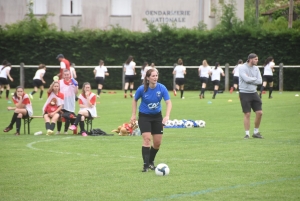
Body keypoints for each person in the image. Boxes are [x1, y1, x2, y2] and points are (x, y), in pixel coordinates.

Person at [131, 69, 172, 172]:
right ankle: (145, 166)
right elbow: (134, 100)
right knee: (147, 139)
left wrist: (167, 116)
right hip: (144, 117)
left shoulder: (162, 88)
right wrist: (133, 115)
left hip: (157, 117)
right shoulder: (142, 89)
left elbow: (168, 102)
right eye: (153, 76)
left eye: (156, 75)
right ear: (148, 78)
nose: (155, 77)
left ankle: (151, 162)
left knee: (157, 143)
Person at [239, 53, 263, 139]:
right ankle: (247, 134)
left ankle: (256, 132)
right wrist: (254, 79)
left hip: (254, 92)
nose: (257, 61)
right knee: (247, 114)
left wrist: (251, 79)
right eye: (255, 59)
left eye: (257, 59)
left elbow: (260, 81)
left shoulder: (256, 68)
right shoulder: (242, 68)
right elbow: (246, 79)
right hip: (244, 93)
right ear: (250, 59)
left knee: (259, 113)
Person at [56, 69, 78, 134]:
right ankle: (58, 130)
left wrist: (76, 85)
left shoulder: (74, 82)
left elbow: (76, 92)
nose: (66, 76)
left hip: (70, 103)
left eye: (68, 74)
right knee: (59, 116)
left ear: (70, 75)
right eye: (65, 75)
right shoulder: (60, 82)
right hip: (62, 103)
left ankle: (65, 131)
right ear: (63, 75)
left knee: (68, 116)